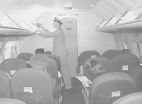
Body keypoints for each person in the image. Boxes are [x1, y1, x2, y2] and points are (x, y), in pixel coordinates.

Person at [36, 17, 72, 89]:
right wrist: (43, 28)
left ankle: (69, 86)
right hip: (58, 52)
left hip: (61, 53)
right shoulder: (57, 31)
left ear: (57, 23)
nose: (53, 23)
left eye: (54, 22)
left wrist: (38, 29)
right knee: (60, 69)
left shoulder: (59, 31)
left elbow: (49, 34)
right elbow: (49, 33)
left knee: (64, 69)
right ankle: (63, 84)